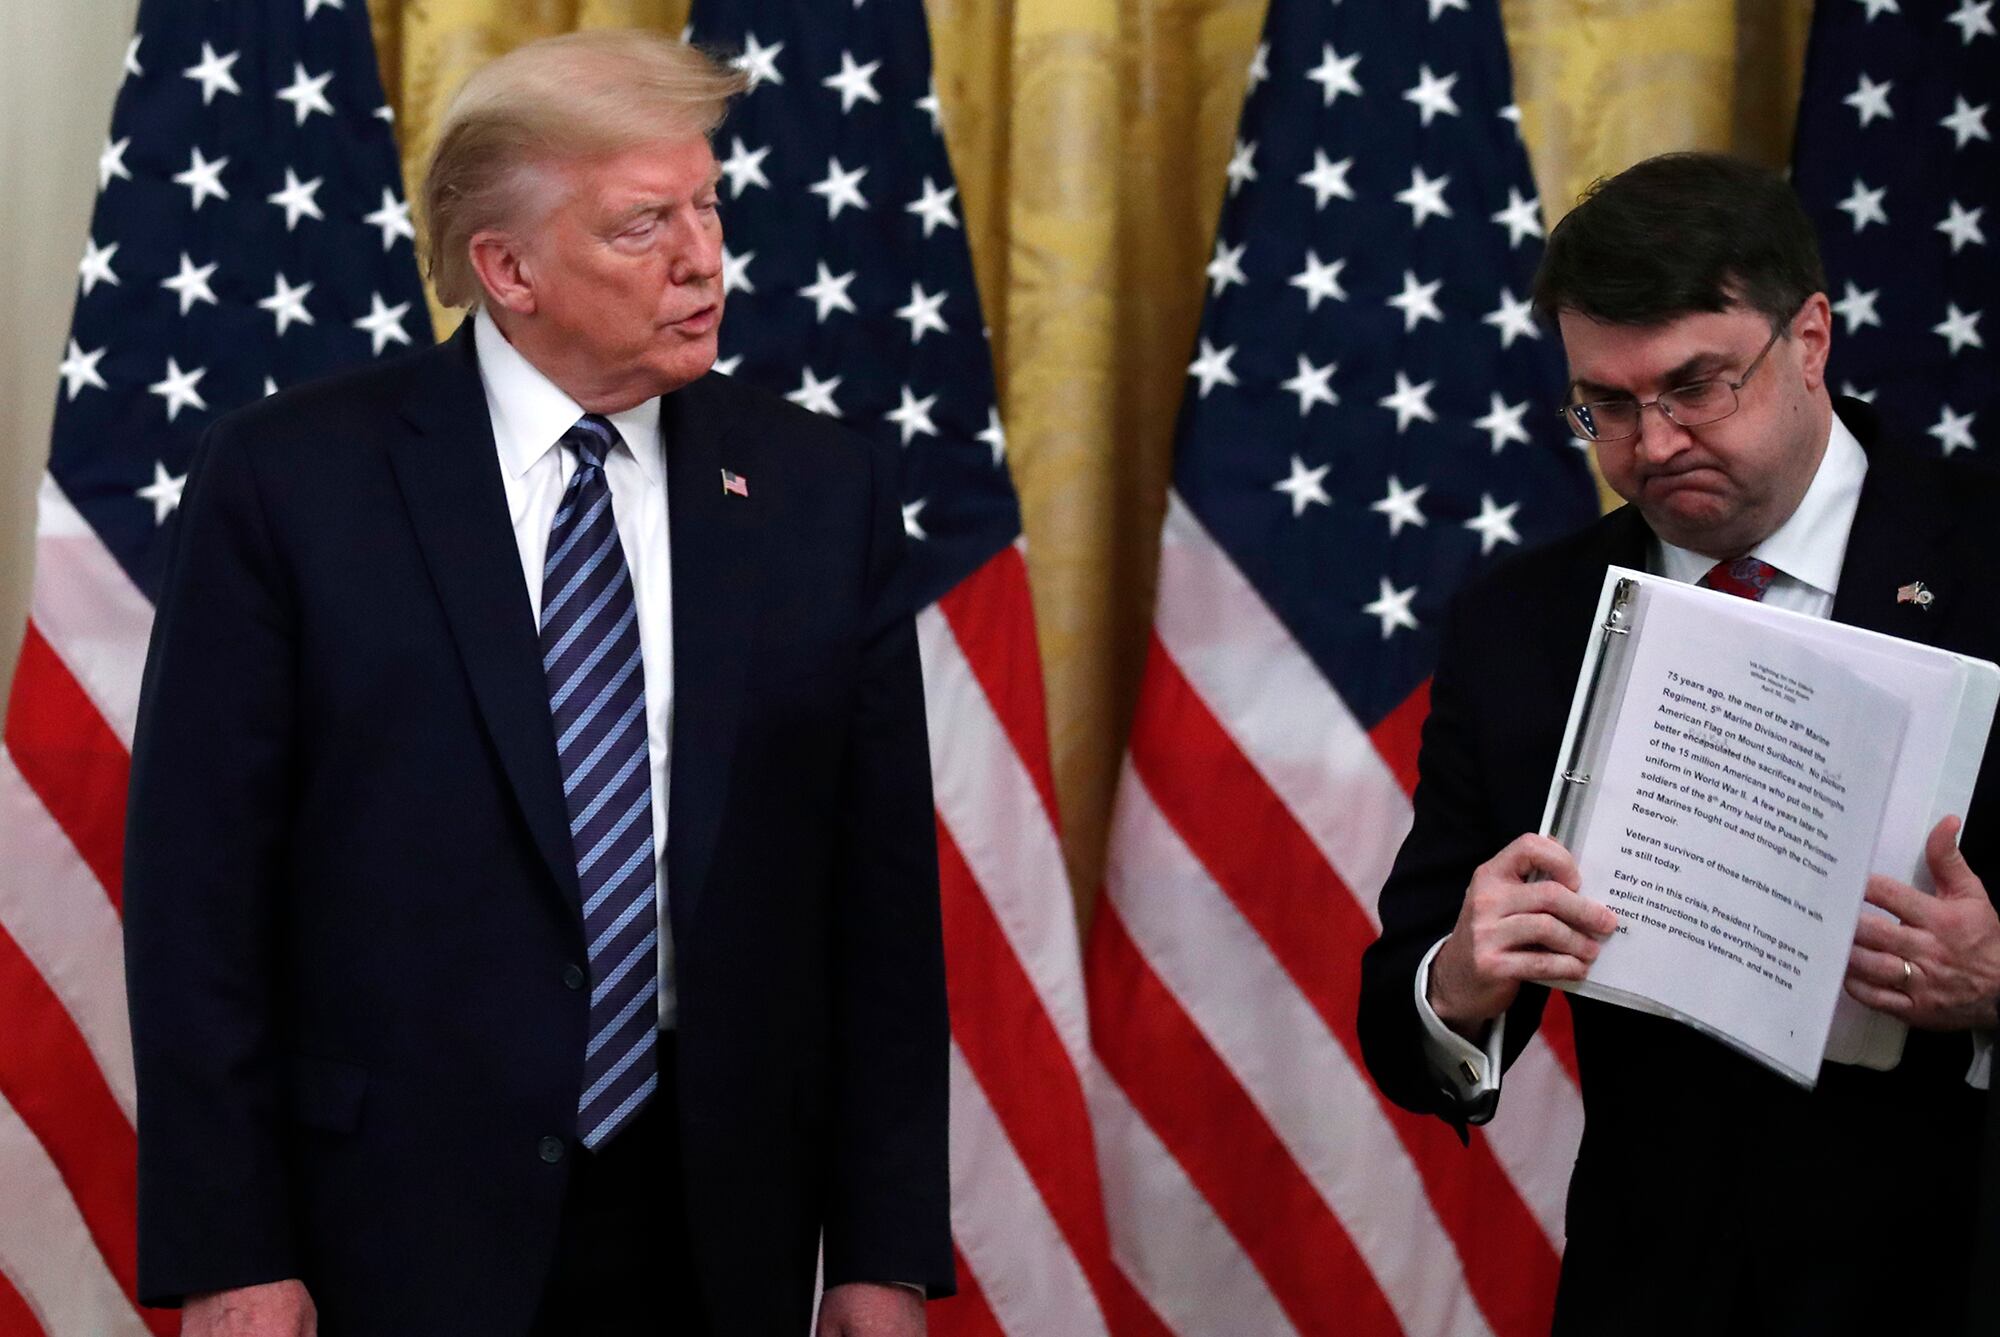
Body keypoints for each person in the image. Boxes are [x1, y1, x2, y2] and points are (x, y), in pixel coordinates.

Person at [123, 31, 950, 1337]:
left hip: (718, 1224)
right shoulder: (290, 483)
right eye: (643, 227)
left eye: (707, 204)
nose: (704, 258)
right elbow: (198, 900)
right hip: (386, 1223)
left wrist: (884, 1250)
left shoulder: (818, 491)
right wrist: (230, 1244)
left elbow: (882, 900)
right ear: (506, 269)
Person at [1357, 152, 2000, 1336]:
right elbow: (1408, 1018)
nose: (1649, 444)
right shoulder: (1521, 624)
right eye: (1603, 404)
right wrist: (1462, 974)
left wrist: (1994, 984)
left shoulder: (1981, 551)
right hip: (1659, 1292)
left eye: (1695, 387)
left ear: (1806, 338)